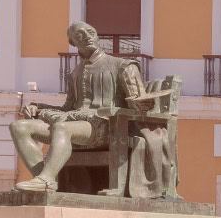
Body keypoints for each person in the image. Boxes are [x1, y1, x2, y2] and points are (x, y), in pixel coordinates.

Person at [9, 22, 144, 192]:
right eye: (80, 35)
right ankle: (45, 180)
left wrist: (143, 104)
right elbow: (68, 108)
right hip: (77, 123)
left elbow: (139, 105)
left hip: (108, 127)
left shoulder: (123, 66)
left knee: (62, 127)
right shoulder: (74, 74)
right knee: (19, 127)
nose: (87, 37)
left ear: (97, 36)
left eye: (91, 32)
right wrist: (38, 107)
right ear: (72, 42)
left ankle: (45, 179)